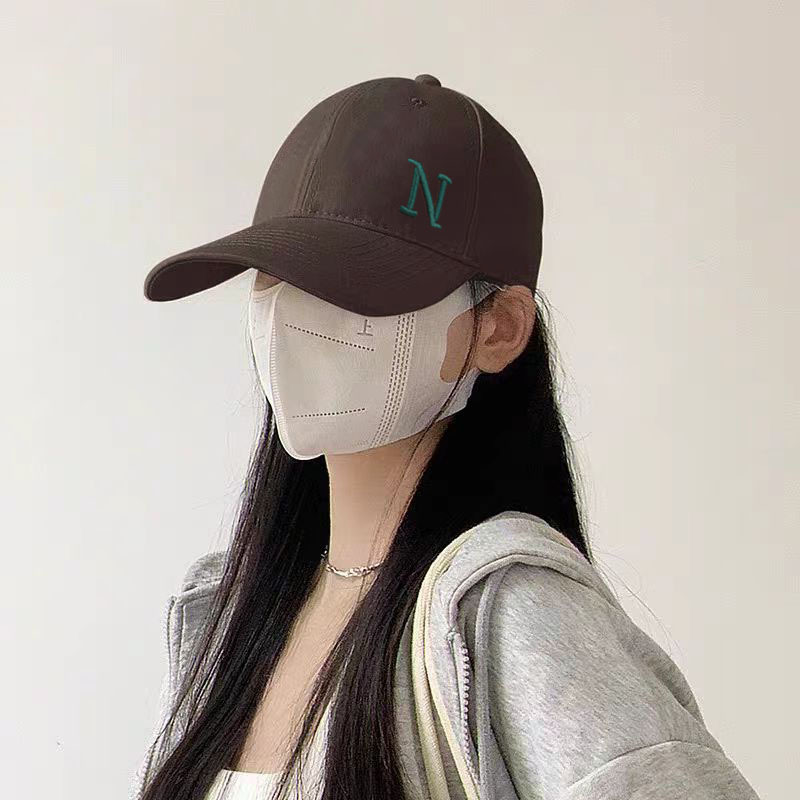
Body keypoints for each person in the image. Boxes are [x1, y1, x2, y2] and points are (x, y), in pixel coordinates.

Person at [129, 74, 761, 800]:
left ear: (499, 328)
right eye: (276, 276)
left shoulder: (508, 614)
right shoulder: (226, 616)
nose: (293, 318)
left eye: (354, 284)